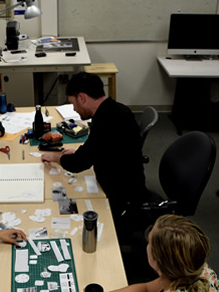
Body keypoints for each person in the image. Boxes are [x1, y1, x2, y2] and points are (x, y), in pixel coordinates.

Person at [39, 72, 146, 213]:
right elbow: (98, 146)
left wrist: (55, 157)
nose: (74, 109)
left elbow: (78, 163)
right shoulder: (114, 109)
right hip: (125, 178)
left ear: (82, 98)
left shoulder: (106, 121)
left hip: (122, 197)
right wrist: (80, 152)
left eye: (73, 103)